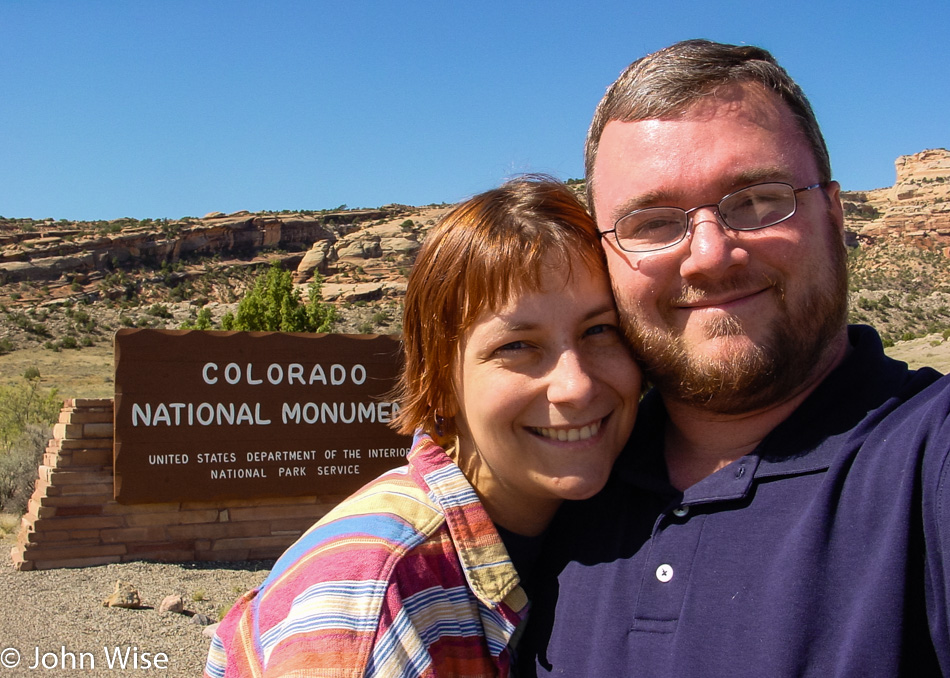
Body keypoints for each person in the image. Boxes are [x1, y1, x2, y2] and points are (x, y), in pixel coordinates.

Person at [517, 40, 950, 676]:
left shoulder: (927, 460)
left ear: (833, 215)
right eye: (652, 222)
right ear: (604, 255)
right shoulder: (568, 483)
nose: (711, 255)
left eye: (757, 199)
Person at [204, 177, 641, 677]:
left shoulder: (596, 521)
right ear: (439, 385)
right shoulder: (373, 600)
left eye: (599, 330)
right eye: (517, 346)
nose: (576, 386)